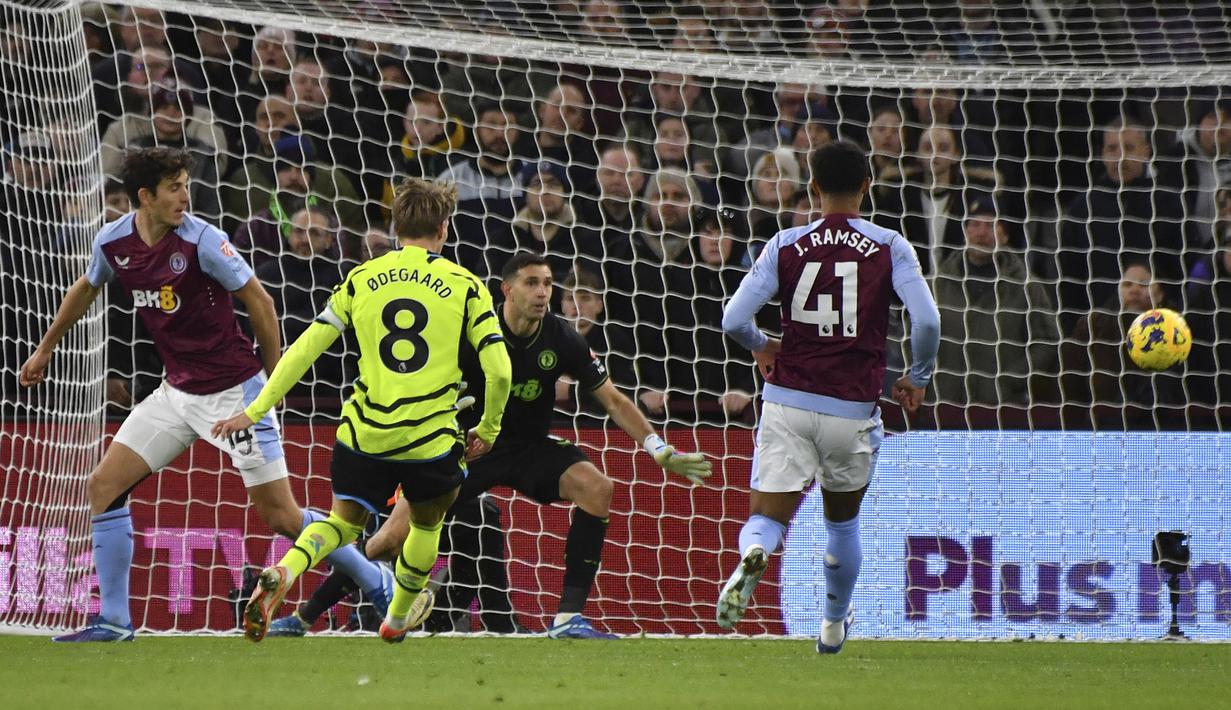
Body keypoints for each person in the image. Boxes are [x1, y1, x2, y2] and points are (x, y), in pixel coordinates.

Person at [18, 147, 380, 642]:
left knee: (282, 517)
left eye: (187, 185)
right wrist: (43, 351)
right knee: (103, 486)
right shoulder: (114, 241)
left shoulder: (203, 240)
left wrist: (273, 382)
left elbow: (261, 300)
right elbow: (87, 286)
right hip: (176, 394)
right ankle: (114, 621)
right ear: (144, 197)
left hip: (234, 393)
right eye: (174, 188)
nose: (185, 197)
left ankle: (375, 580)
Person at [261, 253, 712, 639]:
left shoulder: (562, 337)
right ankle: (303, 617)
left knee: (598, 488)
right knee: (389, 538)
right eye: (532, 283)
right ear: (506, 291)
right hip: (467, 447)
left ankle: (569, 617)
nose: (542, 293)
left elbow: (611, 397)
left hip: (528, 448)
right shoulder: (472, 331)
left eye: (548, 284)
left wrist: (658, 448)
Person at [212, 177, 513, 643]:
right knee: (429, 520)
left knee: (340, 524)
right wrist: (489, 428)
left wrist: (256, 409)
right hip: (429, 440)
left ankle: (286, 570)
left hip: (363, 432)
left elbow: (305, 348)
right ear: (445, 229)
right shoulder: (466, 285)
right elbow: (499, 371)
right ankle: (396, 618)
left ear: (395, 227)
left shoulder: (362, 278)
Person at [717, 140, 940, 654]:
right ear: (868, 186)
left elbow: (732, 319)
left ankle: (753, 554)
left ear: (811, 187)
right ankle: (833, 624)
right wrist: (918, 377)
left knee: (767, 518)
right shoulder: (890, 245)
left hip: (787, 401)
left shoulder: (785, 243)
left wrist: (762, 345)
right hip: (851, 409)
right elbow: (927, 320)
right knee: (842, 522)